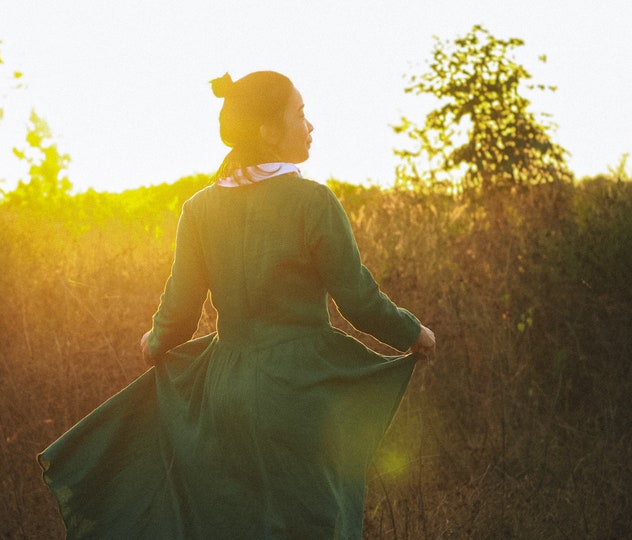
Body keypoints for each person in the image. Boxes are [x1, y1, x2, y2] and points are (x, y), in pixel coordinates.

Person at [38, 70, 435, 539]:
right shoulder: (314, 201)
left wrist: (155, 339)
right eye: (301, 114)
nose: (311, 126)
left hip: (222, 389)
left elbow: (179, 311)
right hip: (299, 388)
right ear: (268, 131)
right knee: (312, 522)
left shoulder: (200, 208)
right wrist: (414, 334)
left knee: (234, 522)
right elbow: (358, 298)